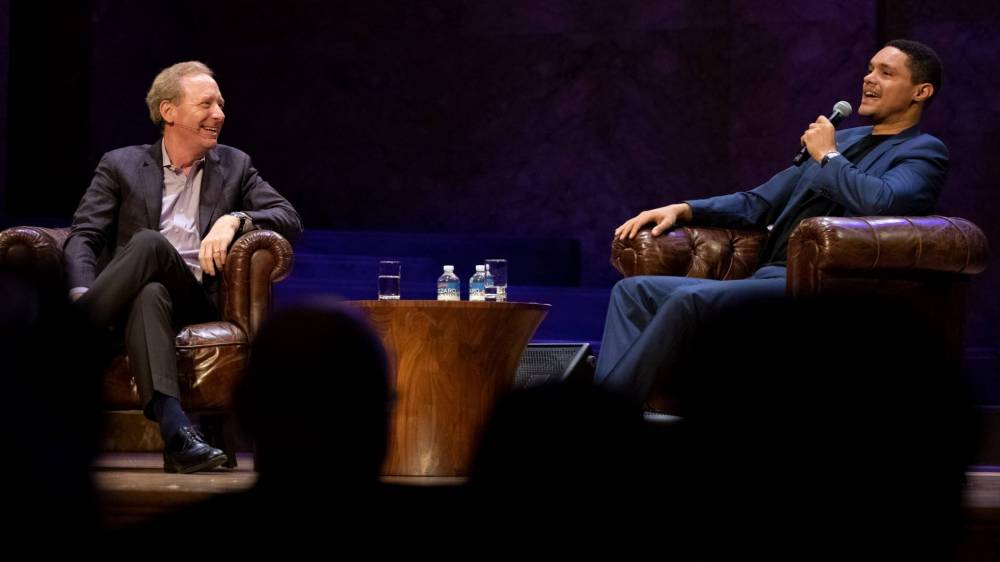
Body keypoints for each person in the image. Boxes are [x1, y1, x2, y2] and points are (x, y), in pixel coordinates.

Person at [594, 39, 948, 404]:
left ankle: (605, 412)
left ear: (921, 91)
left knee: (688, 300)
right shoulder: (845, 140)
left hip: (824, 285)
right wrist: (685, 209)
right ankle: (636, 405)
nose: (869, 79)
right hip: (769, 274)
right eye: (870, 69)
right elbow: (759, 202)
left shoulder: (921, 151)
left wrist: (828, 155)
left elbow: (883, 202)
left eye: (886, 73)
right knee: (632, 291)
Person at [65, 61, 303, 473]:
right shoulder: (120, 165)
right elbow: (83, 236)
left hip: (196, 297)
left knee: (149, 244)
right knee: (148, 289)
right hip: (129, 302)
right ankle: (179, 436)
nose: (220, 114)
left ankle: (65, 341)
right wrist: (83, 290)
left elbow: (289, 217)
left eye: (221, 104)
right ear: (168, 111)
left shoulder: (235, 165)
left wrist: (236, 220)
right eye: (206, 103)